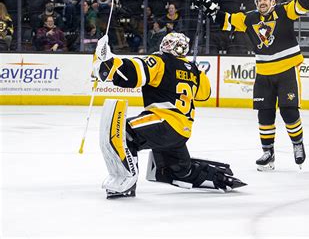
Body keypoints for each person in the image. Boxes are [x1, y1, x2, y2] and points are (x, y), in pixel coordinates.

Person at [194, 0, 309, 171]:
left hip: (287, 70)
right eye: (259, 0)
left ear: (273, 1)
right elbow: (225, 20)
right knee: (264, 114)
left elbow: (303, 5)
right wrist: (208, 6)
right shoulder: (249, 18)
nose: (262, 3)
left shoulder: (284, 11)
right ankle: (268, 152)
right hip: (263, 73)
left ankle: (297, 144)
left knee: (289, 112)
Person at [92, 32, 246, 198]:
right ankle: (216, 177)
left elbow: (137, 71)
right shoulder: (195, 71)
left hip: (163, 121)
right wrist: (193, 72)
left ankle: (126, 181)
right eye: (166, 41)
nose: (166, 45)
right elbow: (205, 94)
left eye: (171, 43)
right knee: (179, 170)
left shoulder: (160, 60)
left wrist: (111, 65)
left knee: (124, 133)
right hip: (181, 131)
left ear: (179, 47)